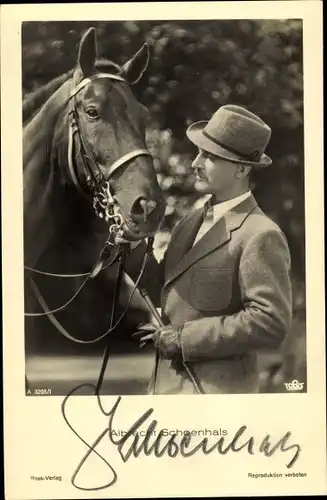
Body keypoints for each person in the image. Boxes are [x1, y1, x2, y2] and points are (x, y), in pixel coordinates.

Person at [124, 104, 292, 395]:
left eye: (210, 156)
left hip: (216, 398)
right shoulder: (190, 223)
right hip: (165, 392)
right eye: (199, 152)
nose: (195, 163)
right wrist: (133, 243)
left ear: (241, 168)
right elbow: (165, 289)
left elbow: (270, 321)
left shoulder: (260, 234)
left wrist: (185, 338)